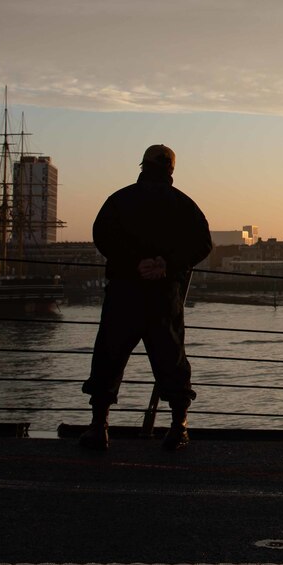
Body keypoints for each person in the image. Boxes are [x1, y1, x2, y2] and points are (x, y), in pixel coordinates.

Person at [80, 145, 212, 452]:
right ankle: (178, 427)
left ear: (143, 166)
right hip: (164, 294)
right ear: (171, 170)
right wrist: (167, 263)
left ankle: (99, 427)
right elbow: (203, 244)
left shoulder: (119, 200)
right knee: (171, 358)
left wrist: (133, 263)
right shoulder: (184, 205)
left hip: (124, 291)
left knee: (109, 356)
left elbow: (102, 236)